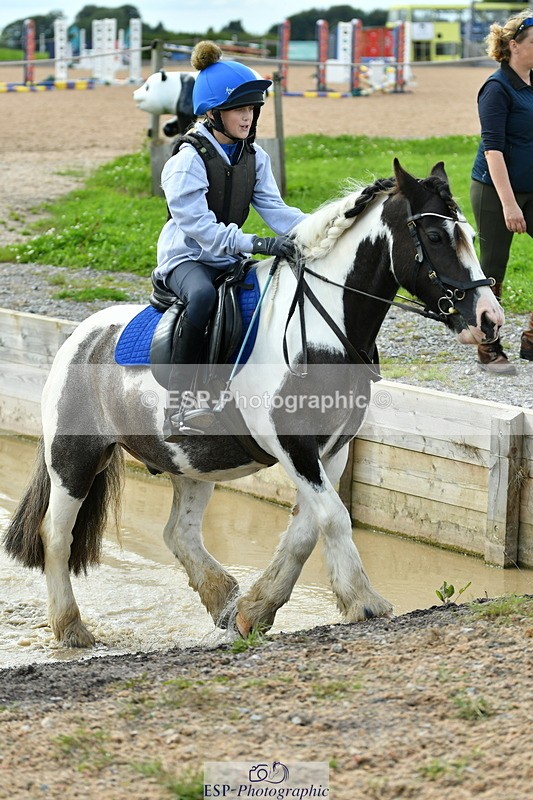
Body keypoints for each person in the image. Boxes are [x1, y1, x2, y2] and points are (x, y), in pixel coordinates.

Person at [152, 41, 307, 437]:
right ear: (213, 112)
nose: (248, 116)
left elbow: (278, 212)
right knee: (203, 296)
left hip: (228, 257)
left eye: (253, 108)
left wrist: (323, 228)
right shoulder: (186, 160)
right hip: (187, 259)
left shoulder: (255, 157)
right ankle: (178, 405)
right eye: (240, 109)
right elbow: (200, 229)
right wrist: (257, 244)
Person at [470, 11, 533, 375]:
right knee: (492, 269)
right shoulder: (496, 88)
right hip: (495, 192)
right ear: (514, 46)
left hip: (530, 186)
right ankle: (488, 347)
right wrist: (510, 206)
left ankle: (532, 339)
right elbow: (493, 151)